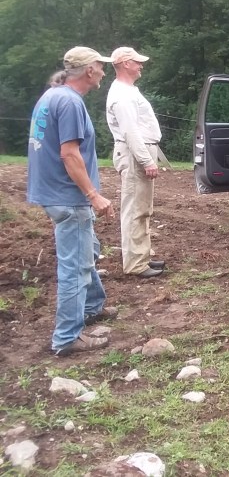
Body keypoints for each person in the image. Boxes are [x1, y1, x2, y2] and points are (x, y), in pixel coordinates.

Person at [27, 46, 118, 356]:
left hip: (52, 192)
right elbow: (69, 154)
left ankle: (93, 306)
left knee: (87, 249)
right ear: (89, 70)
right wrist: (93, 194)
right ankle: (67, 336)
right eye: (100, 66)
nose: (103, 71)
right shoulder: (70, 102)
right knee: (75, 267)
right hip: (69, 196)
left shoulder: (52, 96)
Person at [106, 47, 166, 279]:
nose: (141, 65)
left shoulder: (128, 91)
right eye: (137, 61)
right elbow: (130, 132)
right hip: (134, 156)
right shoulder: (122, 95)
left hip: (137, 153)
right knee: (135, 210)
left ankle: (142, 256)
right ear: (125, 64)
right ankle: (135, 264)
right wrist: (146, 160)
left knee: (142, 208)